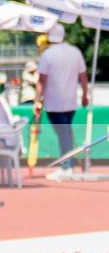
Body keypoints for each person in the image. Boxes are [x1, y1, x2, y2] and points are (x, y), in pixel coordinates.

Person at [38, 22, 90, 163]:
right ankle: (69, 160)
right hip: (70, 101)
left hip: (53, 103)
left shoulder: (47, 55)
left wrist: (38, 99)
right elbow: (83, 76)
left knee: (63, 133)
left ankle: (68, 164)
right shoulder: (75, 52)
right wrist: (85, 95)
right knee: (65, 132)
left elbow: (42, 80)